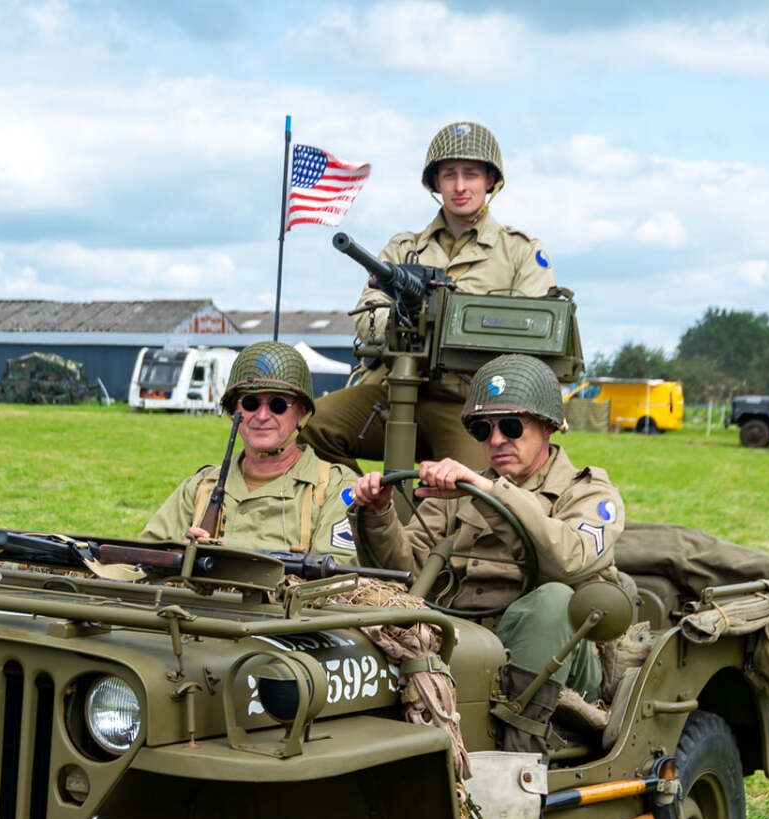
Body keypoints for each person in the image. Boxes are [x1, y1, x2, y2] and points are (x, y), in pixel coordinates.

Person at [352, 353, 623, 695]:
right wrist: (379, 513)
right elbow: (406, 574)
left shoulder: (589, 493)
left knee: (554, 600)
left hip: (560, 663)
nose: (496, 441)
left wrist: (490, 492)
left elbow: (570, 560)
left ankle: (520, 740)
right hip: (461, 642)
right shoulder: (462, 491)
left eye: (511, 426)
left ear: (548, 425)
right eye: (483, 429)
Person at [301, 121, 555, 473]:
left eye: (471, 174)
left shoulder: (519, 252)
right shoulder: (403, 249)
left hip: (470, 404)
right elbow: (365, 317)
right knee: (311, 428)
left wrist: (451, 321)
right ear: (436, 183)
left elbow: (533, 335)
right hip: (393, 391)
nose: (460, 186)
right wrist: (407, 315)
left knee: (473, 491)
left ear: (491, 181)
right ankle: (364, 515)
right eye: (449, 175)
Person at [141, 341, 355, 561]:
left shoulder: (333, 488)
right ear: (234, 411)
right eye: (251, 403)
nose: (262, 416)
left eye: (278, 405)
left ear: (301, 413)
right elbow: (142, 557)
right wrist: (178, 556)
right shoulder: (200, 488)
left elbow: (337, 576)